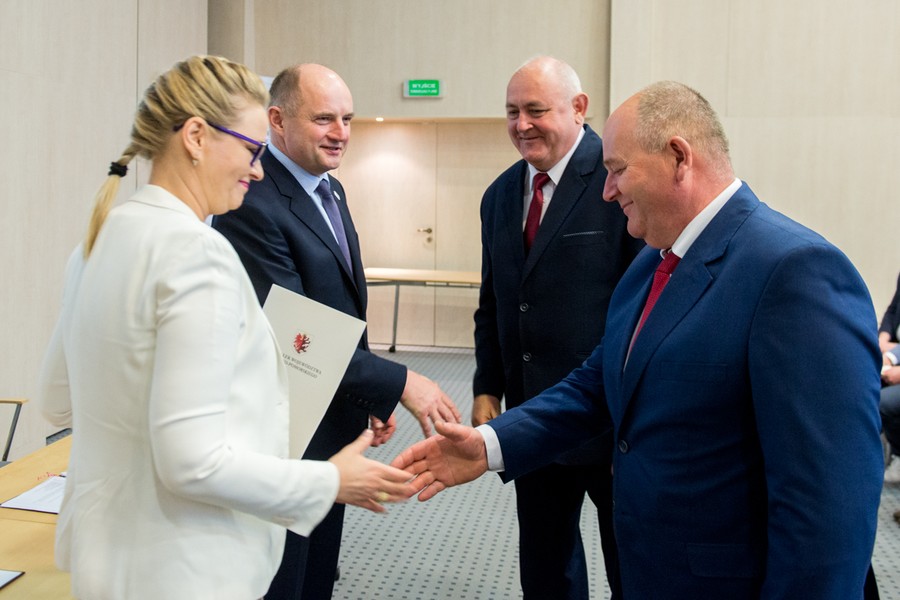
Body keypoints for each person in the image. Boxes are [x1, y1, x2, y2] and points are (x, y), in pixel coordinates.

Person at [393, 81, 884, 599]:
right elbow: (597, 385)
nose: (607, 192)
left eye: (617, 170)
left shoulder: (795, 272)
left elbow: (829, 504)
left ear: (678, 157)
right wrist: (490, 446)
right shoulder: (652, 261)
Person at [36, 55, 417, 600]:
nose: (258, 171)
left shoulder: (97, 243)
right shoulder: (197, 255)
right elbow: (192, 464)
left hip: (104, 559)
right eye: (251, 150)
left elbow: (59, 401)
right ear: (195, 136)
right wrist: (330, 480)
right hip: (184, 562)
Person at [212, 63, 461, 600]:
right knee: (285, 578)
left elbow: (342, 307)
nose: (341, 132)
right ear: (277, 120)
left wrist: (367, 392)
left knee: (318, 573)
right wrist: (401, 382)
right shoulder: (250, 203)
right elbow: (290, 328)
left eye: (347, 118)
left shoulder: (332, 189)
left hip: (330, 420)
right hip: (283, 432)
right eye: (324, 118)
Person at [473, 56, 641, 600]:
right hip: (533, 418)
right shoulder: (499, 196)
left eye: (536, 110)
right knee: (547, 564)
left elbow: (646, 306)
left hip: (613, 419)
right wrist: (486, 386)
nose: (522, 124)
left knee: (631, 563)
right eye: (512, 112)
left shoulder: (619, 182)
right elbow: (495, 302)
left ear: (579, 108)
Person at [879, 272, 900, 487]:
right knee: (863, 388)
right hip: (894, 357)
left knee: (881, 402)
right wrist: (883, 341)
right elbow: (892, 311)